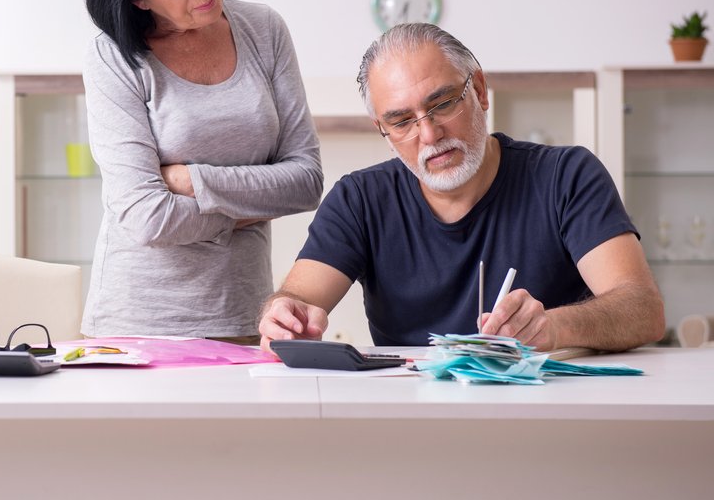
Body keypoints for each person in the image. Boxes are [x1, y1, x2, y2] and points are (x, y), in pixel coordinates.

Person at [259, 23, 665, 352]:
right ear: (382, 130)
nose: (430, 134)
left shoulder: (566, 176)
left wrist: (554, 327)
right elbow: (300, 298)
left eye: (443, 104)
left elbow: (643, 309)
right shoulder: (359, 200)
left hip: (549, 415)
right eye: (402, 121)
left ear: (480, 92)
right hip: (416, 421)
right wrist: (284, 315)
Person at [81, 0, 323, 344]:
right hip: (136, 323)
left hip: (244, 313)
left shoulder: (264, 29)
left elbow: (306, 181)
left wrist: (192, 181)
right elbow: (145, 216)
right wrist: (249, 204)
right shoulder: (113, 57)